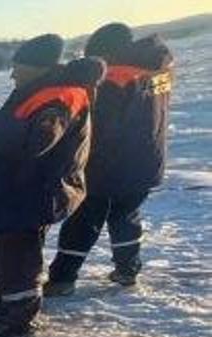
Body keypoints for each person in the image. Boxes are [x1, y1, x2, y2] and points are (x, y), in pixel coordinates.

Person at [0, 34, 105, 337]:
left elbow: (35, 142)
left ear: (37, 67)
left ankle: (18, 328)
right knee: (3, 259)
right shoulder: (37, 91)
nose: (12, 74)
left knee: (19, 263)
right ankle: (4, 312)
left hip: (31, 195)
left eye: (18, 67)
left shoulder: (59, 98)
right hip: (15, 193)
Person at [45, 24, 174, 294]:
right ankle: (128, 270)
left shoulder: (113, 78)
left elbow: (101, 127)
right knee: (125, 214)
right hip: (147, 161)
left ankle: (62, 279)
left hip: (110, 164)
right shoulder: (157, 69)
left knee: (83, 218)